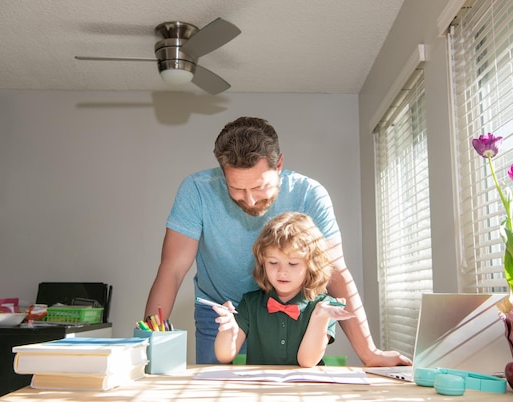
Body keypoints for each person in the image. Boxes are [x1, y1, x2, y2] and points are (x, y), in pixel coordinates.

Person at [144, 116, 411, 366]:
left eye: (260, 187)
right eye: (236, 188)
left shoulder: (310, 194)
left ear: (279, 165)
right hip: (222, 312)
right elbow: (172, 270)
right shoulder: (197, 190)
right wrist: (147, 348)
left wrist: (370, 354)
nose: (249, 200)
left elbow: (335, 271)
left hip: (290, 311)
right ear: (222, 172)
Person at [214, 212, 355, 367]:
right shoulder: (250, 303)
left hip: (305, 389)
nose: (282, 271)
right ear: (262, 263)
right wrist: (228, 329)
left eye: (293, 264)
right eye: (273, 263)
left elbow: (307, 362)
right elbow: (224, 355)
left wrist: (319, 318)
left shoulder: (324, 307)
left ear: (312, 265)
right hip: (261, 388)